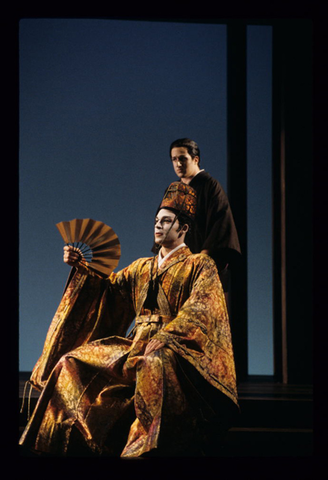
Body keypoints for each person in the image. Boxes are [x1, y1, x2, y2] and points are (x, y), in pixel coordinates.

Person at [19, 182, 238, 457]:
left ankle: (142, 448)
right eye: (157, 221)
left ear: (183, 229)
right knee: (70, 363)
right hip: (135, 343)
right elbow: (108, 292)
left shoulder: (199, 265)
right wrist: (81, 268)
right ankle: (57, 440)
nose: (158, 226)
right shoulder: (140, 267)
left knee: (153, 365)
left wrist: (165, 337)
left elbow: (202, 308)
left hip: (174, 349)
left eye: (167, 221)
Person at [168, 138, 241, 294]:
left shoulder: (210, 186)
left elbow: (220, 225)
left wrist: (200, 262)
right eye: (174, 159)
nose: (178, 164)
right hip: (176, 269)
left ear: (196, 159)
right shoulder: (174, 191)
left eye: (182, 158)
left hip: (203, 267)